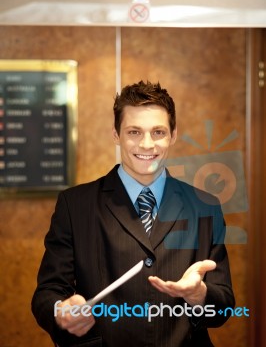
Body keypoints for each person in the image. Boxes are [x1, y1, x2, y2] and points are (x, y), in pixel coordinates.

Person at [32, 80, 235, 347]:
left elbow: (224, 305)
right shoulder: (74, 204)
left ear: (173, 135)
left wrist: (199, 295)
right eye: (134, 132)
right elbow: (47, 293)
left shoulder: (205, 206)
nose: (147, 144)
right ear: (116, 135)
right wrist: (61, 311)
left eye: (158, 132)